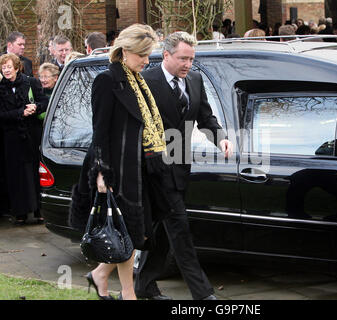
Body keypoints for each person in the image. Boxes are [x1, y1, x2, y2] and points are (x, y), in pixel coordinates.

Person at [69, 23, 169, 300]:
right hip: (118, 169)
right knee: (128, 232)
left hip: (140, 169)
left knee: (138, 233)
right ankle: (128, 294)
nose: (147, 61)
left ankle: (100, 274)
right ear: (124, 51)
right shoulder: (107, 80)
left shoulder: (138, 81)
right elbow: (99, 130)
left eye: (148, 55)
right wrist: (102, 173)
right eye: (142, 55)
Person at [134, 31, 233, 300]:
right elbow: (136, 126)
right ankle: (203, 295)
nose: (188, 64)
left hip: (179, 169)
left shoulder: (195, 80)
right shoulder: (146, 81)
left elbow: (205, 118)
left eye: (191, 58)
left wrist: (221, 139)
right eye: (182, 58)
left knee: (160, 234)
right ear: (166, 55)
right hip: (153, 171)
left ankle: (140, 285)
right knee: (180, 232)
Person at [0, 53, 48, 225]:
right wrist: (20, 112)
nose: (6, 70)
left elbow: (45, 101)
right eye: (3, 67)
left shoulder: (31, 82)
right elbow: (2, 115)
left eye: (8, 66)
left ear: (16, 67)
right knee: (16, 175)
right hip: (12, 137)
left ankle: (38, 210)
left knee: (35, 171)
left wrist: (35, 107)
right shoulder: (1, 88)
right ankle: (20, 212)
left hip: (31, 134)